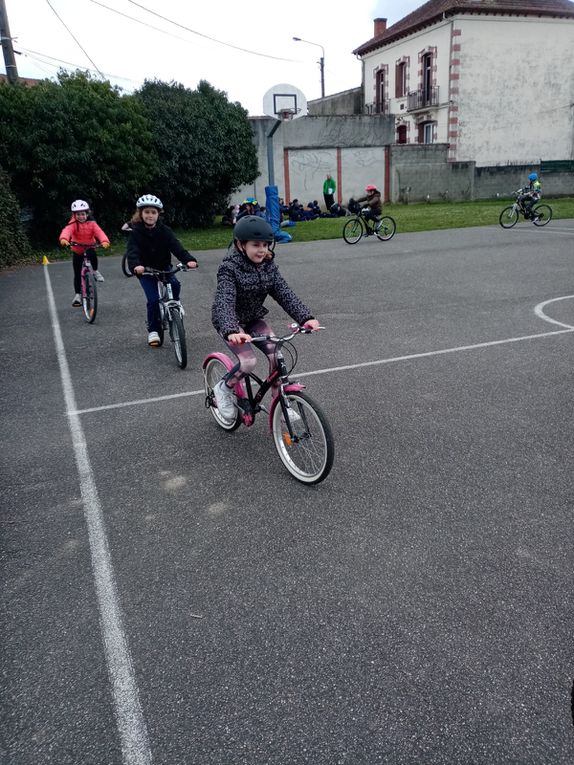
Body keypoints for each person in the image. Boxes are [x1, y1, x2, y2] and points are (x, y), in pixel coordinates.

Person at [211, 215, 320, 420]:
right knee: (248, 361)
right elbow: (224, 300)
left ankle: (281, 402)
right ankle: (223, 388)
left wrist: (306, 318)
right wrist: (232, 330)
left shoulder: (268, 266)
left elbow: (284, 293)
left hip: (252, 318)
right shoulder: (229, 268)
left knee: (278, 355)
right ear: (240, 245)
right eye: (255, 245)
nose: (262, 250)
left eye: (265, 245)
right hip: (230, 322)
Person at [126, 194, 198, 347]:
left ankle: (175, 303)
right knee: (153, 300)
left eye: (153, 212)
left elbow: (176, 247)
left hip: (164, 268)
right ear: (141, 214)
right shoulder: (136, 232)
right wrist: (135, 266)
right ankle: (153, 330)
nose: (150, 215)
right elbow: (132, 252)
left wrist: (189, 260)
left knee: (175, 284)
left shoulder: (165, 230)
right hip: (145, 270)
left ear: (159, 214)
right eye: (147, 212)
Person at [59, 199, 110, 306]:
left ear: (87, 214)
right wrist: (64, 238)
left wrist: (104, 241)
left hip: (90, 246)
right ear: (74, 215)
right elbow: (66, 231)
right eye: (78, 214)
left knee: (93, 256)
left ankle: (95, 271)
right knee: (77, 274)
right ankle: (77, 295)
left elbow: (99, 232)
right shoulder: (73, 224)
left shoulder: (92, 224)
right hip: (77, 249)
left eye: (83, 214)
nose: (81, 217)